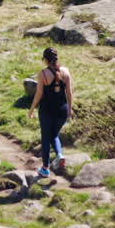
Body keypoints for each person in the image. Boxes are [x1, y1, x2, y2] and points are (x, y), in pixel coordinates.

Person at [27, 46, 72, 178]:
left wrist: (31, 109)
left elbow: (39, 94)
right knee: (54, 134)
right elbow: (69, 92)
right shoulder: (66, 72)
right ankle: (60, 154)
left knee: (46, 138)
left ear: (45, 59)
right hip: (62, 110)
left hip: (47, 111)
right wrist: (70, 110)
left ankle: (45, 168)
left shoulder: (43, 74)